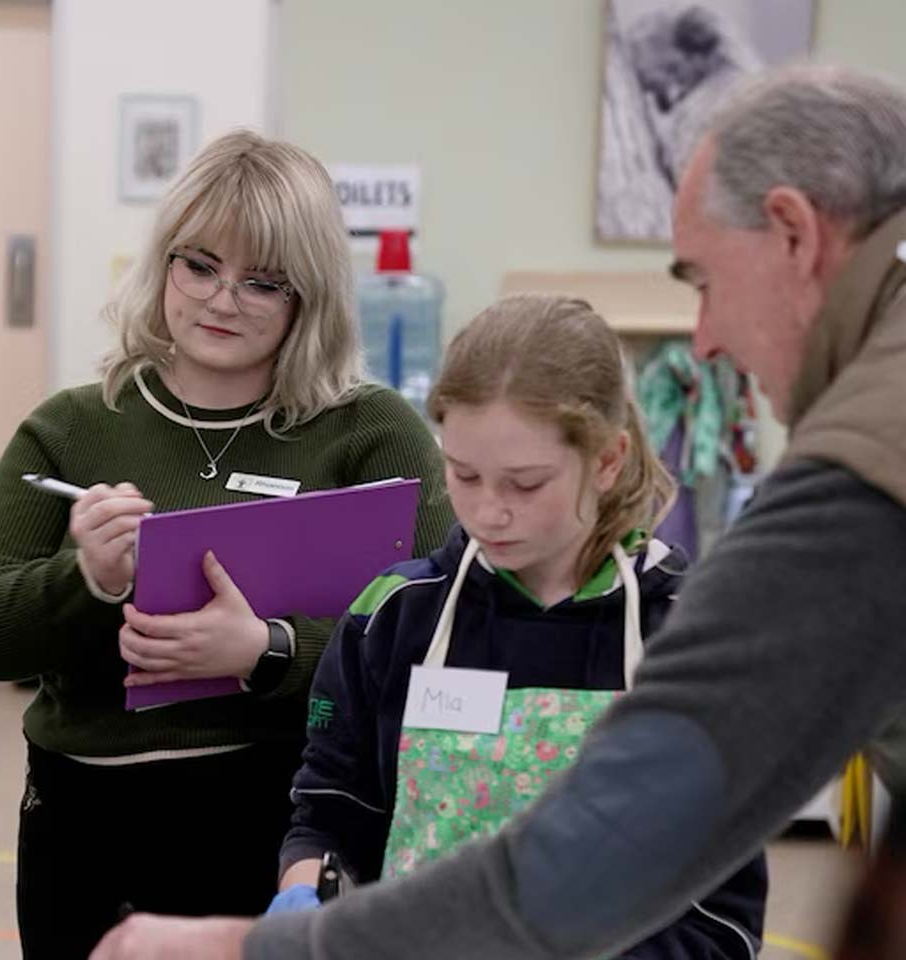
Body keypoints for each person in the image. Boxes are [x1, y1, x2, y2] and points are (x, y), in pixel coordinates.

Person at [89, 64, 906, 960]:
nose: (704, 338)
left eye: (702, 281)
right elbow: (338, 799)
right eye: (465, 478)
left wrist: (253, 950)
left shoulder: (855, 473)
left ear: (792, 231)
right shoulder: (400, 615)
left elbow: (605, 863)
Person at [0, 129, 454, 958]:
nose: (222, 300)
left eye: (263, 282)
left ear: (310, 296)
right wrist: (93, 580)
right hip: (86, 823)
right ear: (163, 265)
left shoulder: (372, 435)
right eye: (200, 265)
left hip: (283, 819)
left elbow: (428, 647)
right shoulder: (72, 427)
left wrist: (264, 649)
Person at [267, 294, 767, 957]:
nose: (488, 512)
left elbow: (722, 913)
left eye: (525, 484)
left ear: (609, 460)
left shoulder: (684, 629)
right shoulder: (394, 617)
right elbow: (332, 812)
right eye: (464, 475)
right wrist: (305, 895)